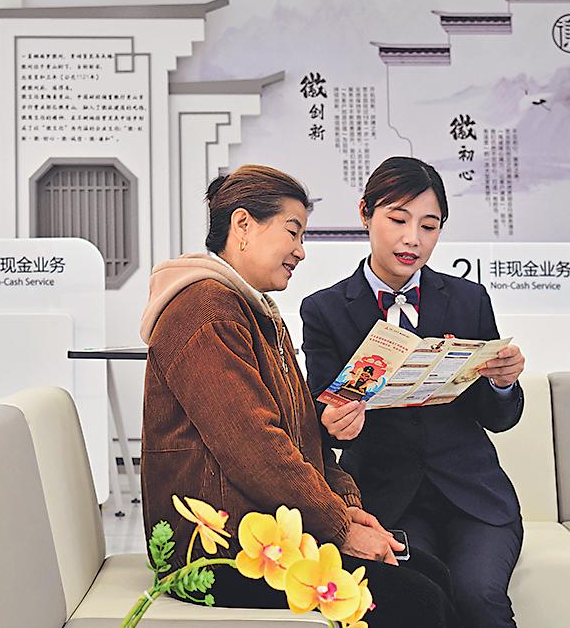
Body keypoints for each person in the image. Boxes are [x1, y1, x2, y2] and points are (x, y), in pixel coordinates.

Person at [139, 164, 457, 627]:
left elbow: (302, 434)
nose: (301, 251)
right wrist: (339, 528)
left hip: (271, 529)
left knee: (431, 573)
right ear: (243, 225)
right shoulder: (206, 311)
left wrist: (347, 509)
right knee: (417, 599)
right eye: (293, 232)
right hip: (219, 551)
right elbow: (255, 447)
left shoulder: (255, 312)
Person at [300, 156, 527, 628]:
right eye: (398, 220)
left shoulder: (468, 299)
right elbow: (320, 422)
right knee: (422, 599)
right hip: (388, 500)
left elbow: (498, 418)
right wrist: (335, 424)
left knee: (479, 596)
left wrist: (503, 384)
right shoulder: (324, 310)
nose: (413, 239)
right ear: (365, 213)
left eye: (429, 225)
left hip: (475, 496)